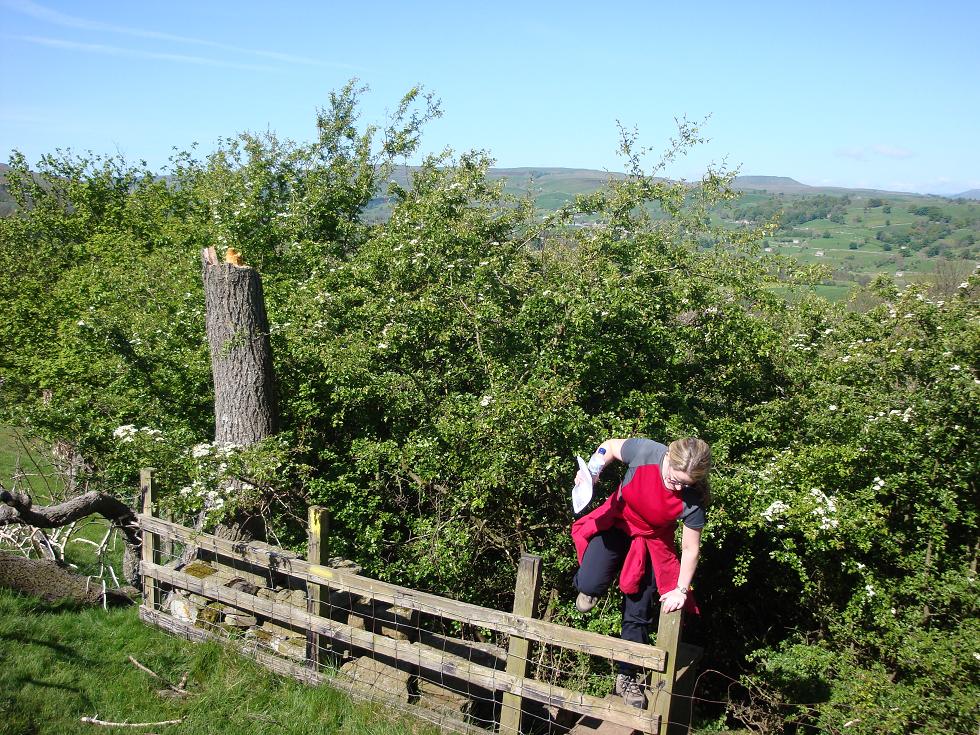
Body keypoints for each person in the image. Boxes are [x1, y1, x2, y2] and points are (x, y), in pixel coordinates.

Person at [571, 437, 711, 709]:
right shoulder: (647, 452)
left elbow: (690, 549)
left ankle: (627, 676)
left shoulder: (693, 500)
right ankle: (591, 588)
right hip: (618, 519)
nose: (678, 487)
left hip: (652, 540)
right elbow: (609, 446)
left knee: (639, 611)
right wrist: (592, 471)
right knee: (588, 582)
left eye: (685, 483)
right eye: (674, 479)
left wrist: (680, 590)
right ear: (668, 458)